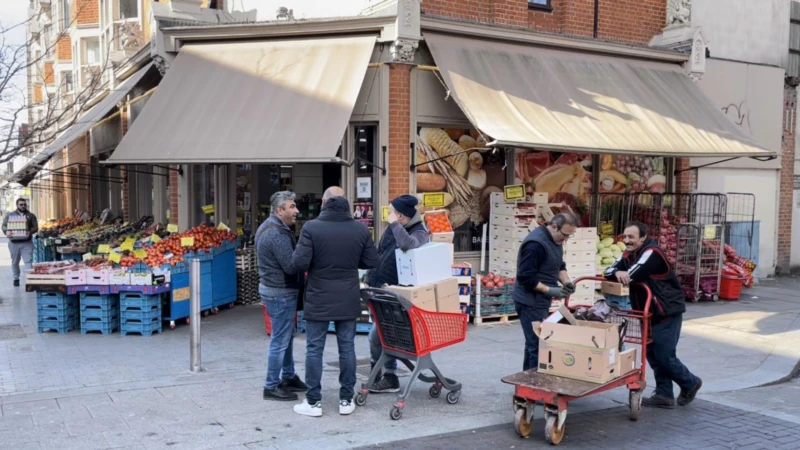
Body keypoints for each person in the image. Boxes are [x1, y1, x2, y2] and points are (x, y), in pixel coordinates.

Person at [291, 186, 380, 417]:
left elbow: (299, 263)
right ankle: (345, 400)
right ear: (346, 203)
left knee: (314, 349)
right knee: (347, 348)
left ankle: (313, 402)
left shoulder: (311, 228)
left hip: (318, 296)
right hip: (348, 295)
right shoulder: (359, 229)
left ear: (323, 202)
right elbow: (371, 260)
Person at [604, 221, 702, 409]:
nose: (627, 241)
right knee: (652, 354)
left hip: (666, 311)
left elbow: (633, 274)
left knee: (664, 355)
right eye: (625, 237)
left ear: (643, 237)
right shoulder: (628, 254)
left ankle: (690, 382)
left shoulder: (652, 253)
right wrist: (617, 271)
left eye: (631, 237)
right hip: (647, 312)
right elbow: (608, 270)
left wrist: (620, 272)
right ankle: (664, 394)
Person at [365, 195, 430, 393]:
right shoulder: (392, 227)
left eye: (392, 211)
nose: (389, 213)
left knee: (378, 335)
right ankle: (381, 375)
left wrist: (394, 224)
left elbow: (408, 245)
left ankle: (388, 376)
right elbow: (381, 250)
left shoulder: (420, 232)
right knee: (380, 334)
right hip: (380, 287)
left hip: (398, 294)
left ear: (401, 216)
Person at [255, 191, 307, 401]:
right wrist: (305, 253)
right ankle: (271, 385)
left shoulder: (269, 227)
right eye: (292, 207)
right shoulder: (276, 234)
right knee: (280, 339)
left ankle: (288, 376)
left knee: (286, 336)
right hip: (281, 292)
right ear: (280, 210)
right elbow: (290, 265)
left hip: (275, 290)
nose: (296, 211)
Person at [512, 212, 578, 371]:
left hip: (539, 301)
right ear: (554, 226)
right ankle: (534, 386)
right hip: (529, 302)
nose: (566, 240)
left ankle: (527, 382)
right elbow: (525, 277)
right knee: (538, 344)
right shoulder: (536, 244)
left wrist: (566, 281)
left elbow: (559, 265)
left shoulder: (555, 239)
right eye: (565, 235)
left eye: (570, 236)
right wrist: (550, 290)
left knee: (533, 343)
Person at [2, 198, 38, 287]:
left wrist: (30, 231)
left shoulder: (31, 216)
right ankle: (16, 279)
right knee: (15, 262)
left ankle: (29, 281)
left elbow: (36, 227)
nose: (23, 206)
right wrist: (6, 231)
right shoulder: (10, 215)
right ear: (17, 205)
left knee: (28, 261)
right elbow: (4, 225)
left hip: (27, 242)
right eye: (21, 204)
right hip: (14, 243)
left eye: (24, 204)